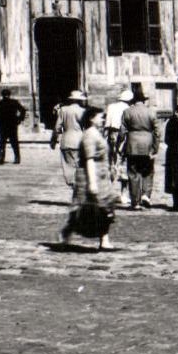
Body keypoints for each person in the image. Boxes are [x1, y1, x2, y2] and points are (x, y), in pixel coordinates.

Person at [59, 106, 116, 250]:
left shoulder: (97, 133)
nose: (103, 119)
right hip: (91, 176)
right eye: (100, 116)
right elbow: (89, 159)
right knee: (86, 209)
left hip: (101, 176)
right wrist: (92, 183)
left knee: (105, 208)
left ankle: (104, 239)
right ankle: (67, 233)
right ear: (91, 118)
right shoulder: (90, 135)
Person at [119, 82, 159, 210]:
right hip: (147, 144)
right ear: (144, 101)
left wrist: (120, 145)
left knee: (133, 173)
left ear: (133, 101)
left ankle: (135, 201)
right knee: (148, 172)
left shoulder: (127, 112)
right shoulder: (151, 112)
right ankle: (146, 195)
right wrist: (155, 147)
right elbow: (157, 132)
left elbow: (122, 131)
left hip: (132, 145)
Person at [51, 90, 86, 187]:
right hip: (79, 140)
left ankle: (72, 183)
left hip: (66, 140)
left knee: (68, 165)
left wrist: (54, 139)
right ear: (80, 100)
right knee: (79, 165)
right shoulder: (83, 111)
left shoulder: (63, 110)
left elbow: (57, 127)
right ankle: (79, 185)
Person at [104, 86, 132, 175]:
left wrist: (105, 132)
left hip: (113, 130)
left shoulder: (111, 106)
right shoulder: (129, 108)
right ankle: (119, 167)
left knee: (112, 149)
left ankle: (112, 166)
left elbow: (107, 122)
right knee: (122, 149)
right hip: (124, 131)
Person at [0, 88, 26, 165]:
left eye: (6, 95)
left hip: (6, 126)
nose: (5, 96)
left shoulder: (2, 103)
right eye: (5, 95)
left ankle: (2, 158)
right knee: (11, 143)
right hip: (10, 125)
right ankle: (15, 158)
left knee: (5, 143)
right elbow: (23, 110)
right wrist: (19, 119)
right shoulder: (11, 102)